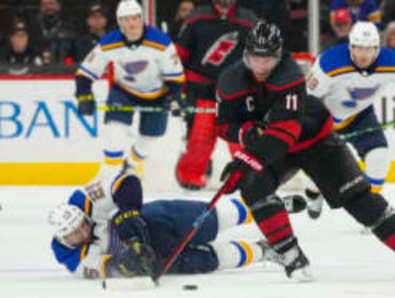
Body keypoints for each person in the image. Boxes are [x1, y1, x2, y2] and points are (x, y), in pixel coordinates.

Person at [215, 21, 395, 281]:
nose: (262, 66)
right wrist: (245, 135)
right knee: (252, 183)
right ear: (246, 54)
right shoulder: (230, 79)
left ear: (279, 56)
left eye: (268, 58)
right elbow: (224, 124)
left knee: (361, 201)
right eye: (256, 58)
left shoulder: (289, 75)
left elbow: (285, 133)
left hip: (316, 141)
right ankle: (291, 256)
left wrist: (248, 157)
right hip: (277, 144)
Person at [48, 167, 307, 278]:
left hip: (155, 219)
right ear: (64, 240)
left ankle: (268, 208)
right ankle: (264, 251)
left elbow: (127, 181)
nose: (81, 232)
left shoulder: (83, 199)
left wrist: (128, 212)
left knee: (215, 218)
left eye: (81, 224)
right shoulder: (73, 261)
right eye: (73, 234)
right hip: (156, 256)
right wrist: (131, 264)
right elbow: (110, 270)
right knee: (212, 260)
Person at [306, 21, 395, 205]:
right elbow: (307, 100)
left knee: (379, 156)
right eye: (359, 48)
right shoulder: (329, 63)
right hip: (325, 118)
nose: (364, 55)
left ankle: (371, 207)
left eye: (369, 49)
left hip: (359, 116)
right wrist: (316, 128)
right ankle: (313, 194)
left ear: (377, 48)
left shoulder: (390, 61)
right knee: (318, 172)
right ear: (351, 46)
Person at [74, 0, 185, 189]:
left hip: (157, 93)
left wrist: (176, 98)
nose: (132, 24)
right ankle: (106, 180)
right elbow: (85, 73)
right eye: (126, 20)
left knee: (151, 136)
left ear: (142, 19)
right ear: (119, 22)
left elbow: (175, 76)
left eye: (135, 18)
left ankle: (132, 164)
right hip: (123, 92)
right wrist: (84, 95)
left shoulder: (161, 42)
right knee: (114, 135)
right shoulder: (109, 42)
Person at [175, 0, 257, 190]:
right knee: (200, 137)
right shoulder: (197, 17)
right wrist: (177, 87)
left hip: (236, 92)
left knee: (240, 137)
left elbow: (259, 57)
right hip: (201, 89)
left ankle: (247, 175)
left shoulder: (249, 20)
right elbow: (180, 54)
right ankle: (190, 176)